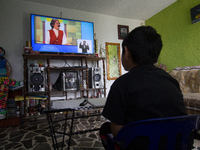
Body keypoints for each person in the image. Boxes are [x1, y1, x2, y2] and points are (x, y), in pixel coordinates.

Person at [100, 26, 191, 149]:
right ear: (156, 55)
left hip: (142, 146)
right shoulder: (171, 80)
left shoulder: (120, 84)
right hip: (179, 145)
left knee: (105, 129)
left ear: (127, 52)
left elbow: (117, 132)